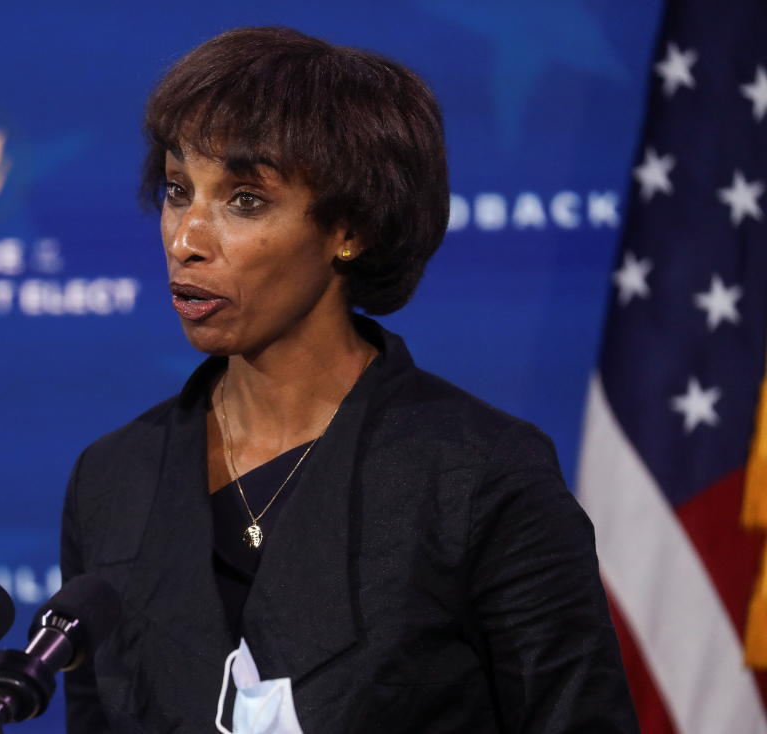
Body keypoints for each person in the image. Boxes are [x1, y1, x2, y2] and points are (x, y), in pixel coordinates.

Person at [60, 26, 637, 733]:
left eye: (244, 200)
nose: (186, 238)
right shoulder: (113, 479)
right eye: (179, 191)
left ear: (351, 229)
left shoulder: (481, 475)